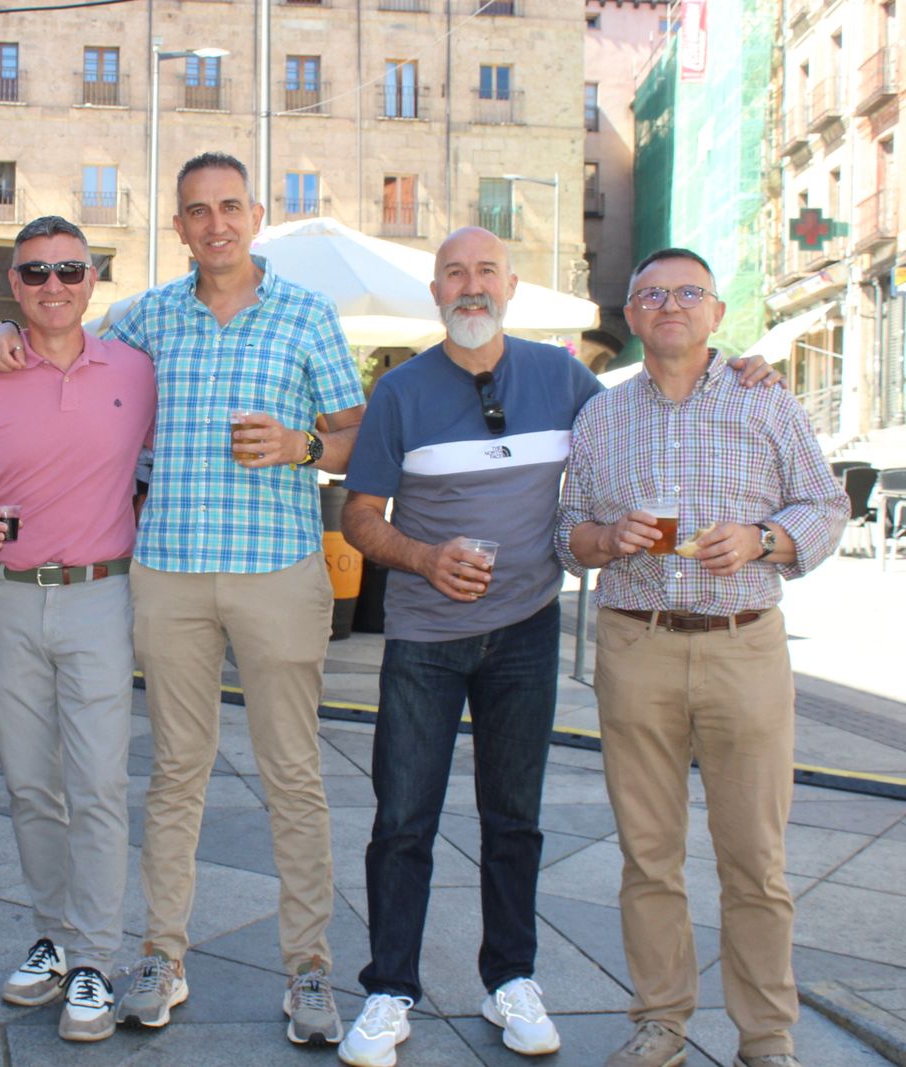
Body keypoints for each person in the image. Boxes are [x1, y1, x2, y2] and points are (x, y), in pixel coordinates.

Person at [335, 229, 783, 1067]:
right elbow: (359, 515)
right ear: (437, 290)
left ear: (510, 286)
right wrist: (425, 557)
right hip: (426, 637)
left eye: (486, 274)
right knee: (402, 820)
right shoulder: (400, 391)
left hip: (526, 632)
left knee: (515, 821)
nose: (471, 288)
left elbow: (656, 388)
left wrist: (740, 363)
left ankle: (511, 978)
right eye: (455, 275)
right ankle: (389, 987)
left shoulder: (565, 381)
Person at [0, 151, 365, 1047]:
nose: (216, 224)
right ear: (181, 224)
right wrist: (6, 338)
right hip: (171, 573)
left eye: (231, 207)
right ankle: (162, 954)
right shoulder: (145, 317)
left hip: (278, 568)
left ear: (257, 214)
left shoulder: (306, 313)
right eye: (198, 210)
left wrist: (304, 444)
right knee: (177, 773)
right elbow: (59, 339)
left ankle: (308, 965)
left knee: (293, 773)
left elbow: (353, 431)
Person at [556, 248, 846, 1067]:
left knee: (754, 857)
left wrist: (765, 538)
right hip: (635, 640)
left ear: (716, 312)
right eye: (650, 294)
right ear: (632, 314)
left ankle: (766, 1037)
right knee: (648, 854)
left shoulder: (766, 400)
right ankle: (660, 1021)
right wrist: (607, 539)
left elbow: (827, 502)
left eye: (688, 293)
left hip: (743, 643)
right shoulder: (602, 416)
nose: (669, 305)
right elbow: (566, 529)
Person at [0, 216, 155, 1042]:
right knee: (31, 783)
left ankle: (99, 959)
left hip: (102, 596)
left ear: (93, 277)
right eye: (34, 274)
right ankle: (54, 936)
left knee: (100, 786)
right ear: (14, 284)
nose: (53, 286)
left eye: (69, 270)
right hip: (7, 598)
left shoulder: (138, 369)